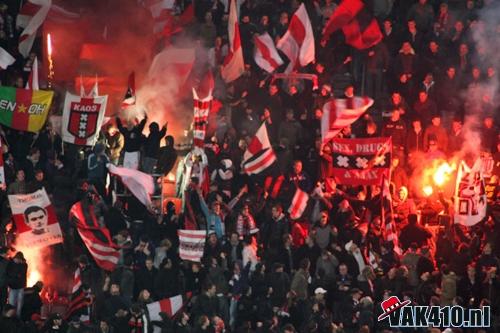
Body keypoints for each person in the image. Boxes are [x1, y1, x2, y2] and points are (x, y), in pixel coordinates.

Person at [7, 252, 27, 318]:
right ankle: (10, 319)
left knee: (19, 305)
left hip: (20, 287)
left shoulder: (24, 265)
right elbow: (10, 273)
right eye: (17, 259)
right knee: (11, 304)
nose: (17, 260)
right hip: (13, 287)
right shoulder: (11, 263)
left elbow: (21, 273)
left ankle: (17, 319)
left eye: (19, 259)